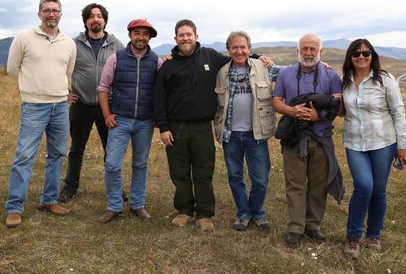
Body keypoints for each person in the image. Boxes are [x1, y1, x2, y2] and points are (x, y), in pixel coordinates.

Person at [154, 20, 271, 232]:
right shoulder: (167, 65)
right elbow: (159, 98)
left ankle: (204, 213)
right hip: (176, 127)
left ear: (196, 36)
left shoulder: (210, 56)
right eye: (181, 35)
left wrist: (258, 57)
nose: (185, 38)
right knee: (179, 172)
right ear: (175, 39)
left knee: (203, 171)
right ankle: (184, 211)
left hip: (202, 127)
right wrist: (163, 128)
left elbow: (237, 57)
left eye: (189, 34)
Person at [4, 0, 77, 228]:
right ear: (39, 14)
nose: (51, 14)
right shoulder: (24, 38)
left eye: (55, 10)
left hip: (60, 107)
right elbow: (12, 68)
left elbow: (68, 72)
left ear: (61, 14)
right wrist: (32, 88)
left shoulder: (69, 43)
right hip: (34, 106)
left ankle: (49, 200)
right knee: (24, 156)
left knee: (57, 154)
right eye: (46, 10)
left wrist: (61, 94)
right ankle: (15, 207)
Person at [340, 39, 406, 259]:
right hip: (355, 143)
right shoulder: (345, 81)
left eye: (366, 53)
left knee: (378, 190)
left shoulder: (385, 79)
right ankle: (353, 238)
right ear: (350, 57)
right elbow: (342, 111)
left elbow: (398, 111)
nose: (361, 57)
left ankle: (373, 235)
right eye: (356, 54)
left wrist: (402, 144)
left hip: (383, 142)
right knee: (363, 186)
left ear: (372, 56)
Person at [272, 33, 344, 248]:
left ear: (320, 52)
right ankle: (295, 227)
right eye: (304, 48)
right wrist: (292, 112)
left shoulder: (331, 77)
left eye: (313, 49)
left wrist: (317, 116)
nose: (308, 53)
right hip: (294, 139)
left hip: (321, 138)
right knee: (294, 184)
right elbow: (276, 101)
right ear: (298, 51)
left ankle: (313, 226)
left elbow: (340, 107)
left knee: (318, 184)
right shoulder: (285, 74)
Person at [214, 30, 281, 231]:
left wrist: (321, 66)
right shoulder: (221, 71)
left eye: (243, 47)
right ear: (229, 50)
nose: (239, 51)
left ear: (249, 49)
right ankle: (243, 213)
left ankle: (258, 212)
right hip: (230, 134)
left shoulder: (263, 67)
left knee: (260, 178)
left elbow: (292, 72)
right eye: (235, 47)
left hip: (256, 133)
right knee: (235, 176)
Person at [58, 3, 125, 203]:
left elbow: (125, 71)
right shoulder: (73, 44)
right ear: (86, 21)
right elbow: (59, 69)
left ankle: (115, 188)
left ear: (105, 20)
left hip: (108, 107)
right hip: (81, 105)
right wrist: (65, 93)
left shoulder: (116, 45)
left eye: (99, 16)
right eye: (91, 16)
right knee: (77, 148)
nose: (95, 19)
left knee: (111, 150)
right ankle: (70, 186)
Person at [97, 19, 162, 223]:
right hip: (120, 121)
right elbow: (103, 88)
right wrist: (107, 115)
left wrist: (157, 117)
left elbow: (161, 92)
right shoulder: (116, 58)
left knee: (140, 164)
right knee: (112, 165)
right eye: (137, 33)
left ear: (150, 37)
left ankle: (137, 205)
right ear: (130, 35)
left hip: (144, 122)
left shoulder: (156, 62)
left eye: (145, 33)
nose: (141, 37)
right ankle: (114, 206)